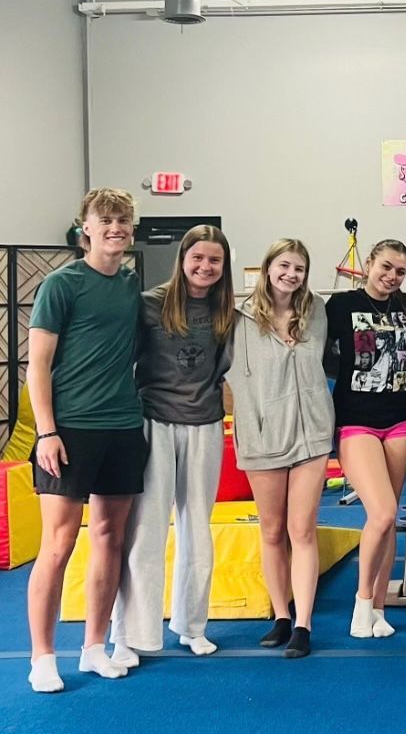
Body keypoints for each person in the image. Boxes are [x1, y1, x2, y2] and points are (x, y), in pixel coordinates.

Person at [26, 188, 147, 692]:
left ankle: (94, 646)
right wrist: (46, 431)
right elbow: (38, 365)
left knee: (109, 539)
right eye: (106, 219)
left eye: (123, 219)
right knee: (58, 544)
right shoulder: (61, 284)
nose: (115, 227)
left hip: (122, 427)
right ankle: (42, 655)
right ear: (86, 229)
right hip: (70, 429)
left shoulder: (130, 285)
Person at [111, 225, 235, 668]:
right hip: (154, 423)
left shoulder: (226, 312)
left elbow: (225, 370)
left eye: (214, 261)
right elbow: (119, 360)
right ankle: (131, 633)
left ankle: (192, 625)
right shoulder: (149, 304)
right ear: (182, 259)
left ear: (224, 266)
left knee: (197, 527)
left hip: (204, 426)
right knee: (145, 529)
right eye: (197, 258)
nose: (205, 267)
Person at [225, 239, 334, 658]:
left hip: (311, 435)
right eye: (284, 265)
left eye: (300, 268)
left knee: (301, 530)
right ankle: (281, 616)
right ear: (268, 267)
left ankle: (303, 625)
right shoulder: (238, 318)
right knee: (272, 531)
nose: (291, 274)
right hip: (262, 436)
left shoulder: (317, 312)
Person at [325, 239, 406, 639]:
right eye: (386, 267)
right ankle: (361, 603)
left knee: (389, 516)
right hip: (356, 421)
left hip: (400, 421)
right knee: (380, 513)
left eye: (400, 271)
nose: (391, 276)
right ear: (369, 265)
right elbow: (319, 352)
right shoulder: (341, 306)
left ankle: (380, 608)